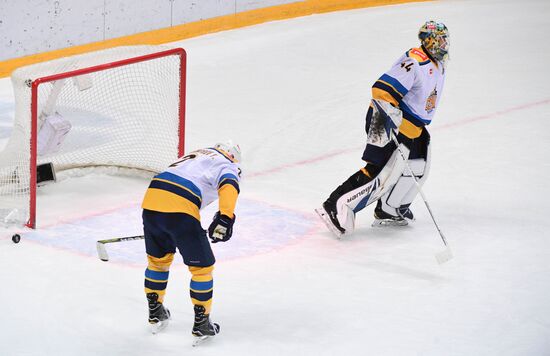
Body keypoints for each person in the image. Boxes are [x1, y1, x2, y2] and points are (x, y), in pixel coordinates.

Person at [316, 20, 449, 237]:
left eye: (446, 39)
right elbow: (381, 90)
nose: (445, 44)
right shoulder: (414, 61)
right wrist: (391, 119)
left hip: (412, 126)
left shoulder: (438, 64)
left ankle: (390, 208)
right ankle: (334, 206)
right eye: (440, 39)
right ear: (429, 41)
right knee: (380, 173)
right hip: (384, 118)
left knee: (417, 167)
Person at [141, 141, 241, 340]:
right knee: (202, 269)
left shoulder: (196, 156)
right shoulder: (226, 164)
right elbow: (229, 185)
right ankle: (202, 323)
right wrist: (225, 217)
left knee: (158, 262)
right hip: (180, 208)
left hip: (151, 203)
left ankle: (155, 312)